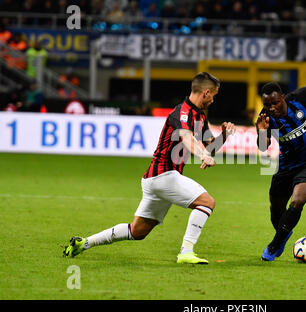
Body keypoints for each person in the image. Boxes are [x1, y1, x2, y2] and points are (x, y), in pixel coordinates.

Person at [63, 72, 236, 264]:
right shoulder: (183, 112)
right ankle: (186, 252)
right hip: (164, 175)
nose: (214, 99)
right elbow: (187, 138)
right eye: (214, 94)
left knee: (137, 231)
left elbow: (209, 146)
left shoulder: (200, 117)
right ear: (206, 92)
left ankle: (84, 243)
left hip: (155, 180)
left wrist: (224, 136)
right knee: (206, 203)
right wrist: (203, 155)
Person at [255, 22, 306, 261]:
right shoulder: (266, 117)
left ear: (282, 97)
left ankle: (275, 245)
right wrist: (260, 132)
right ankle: (283, 233)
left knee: (298, 199)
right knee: (275, 212)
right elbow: (263, 148)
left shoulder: (300, 98)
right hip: (285, 167)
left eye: (275, 103)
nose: (272, 108)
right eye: (268, 104)